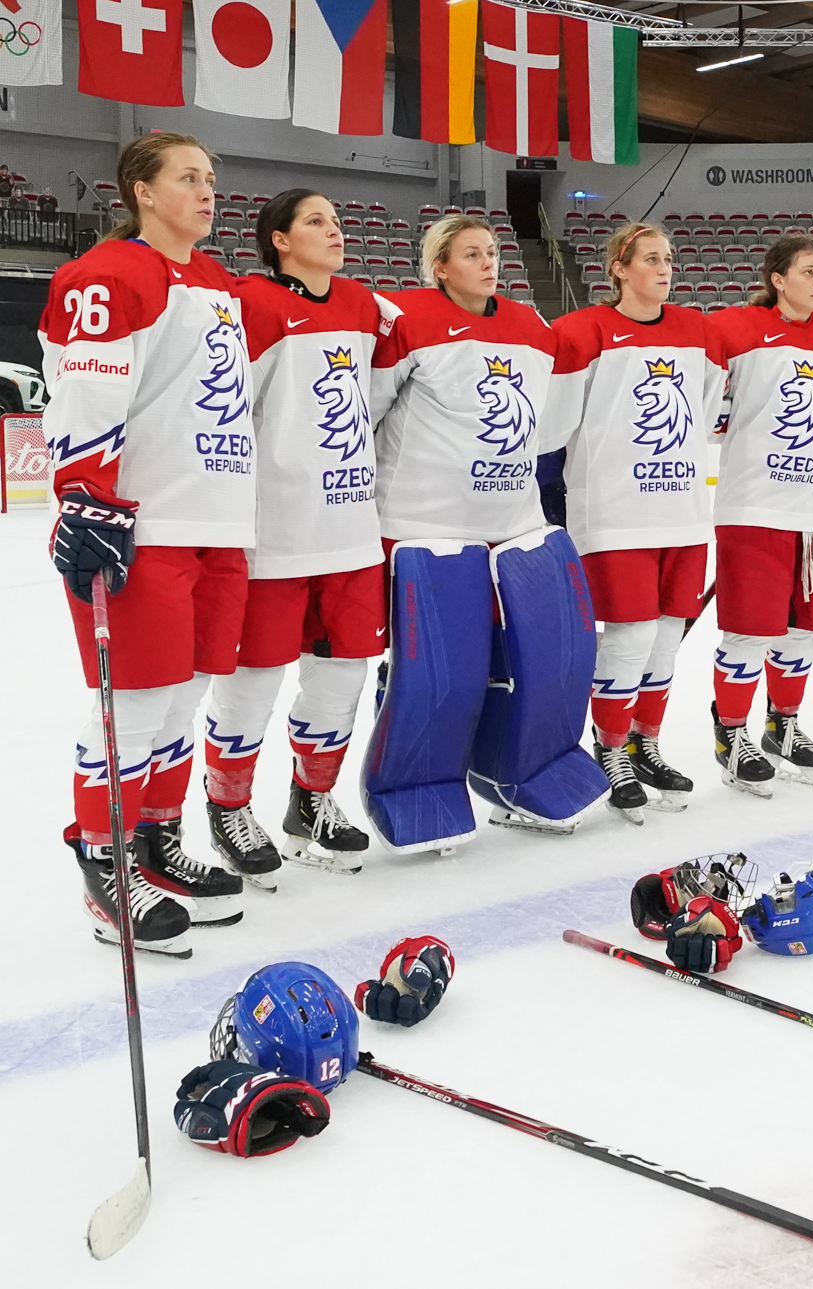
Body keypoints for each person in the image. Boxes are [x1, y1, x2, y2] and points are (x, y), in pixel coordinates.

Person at [42, 132, 251, 956]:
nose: (207, 191)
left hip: (217, 521)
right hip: (146, 527)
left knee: (180, 703)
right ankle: (105, 863)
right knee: (129, 710)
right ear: (143, 191)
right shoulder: (108, 274)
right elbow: (85, 393)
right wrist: (87, 499)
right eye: (189, 178)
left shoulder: (214, 279)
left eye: (211, 176)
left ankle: (156, 843)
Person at [370, 213, 592, 846]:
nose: (489, 261)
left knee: (549, 658)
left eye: (492, 250)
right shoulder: (406, 319)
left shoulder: (531, 326)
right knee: (439, 671)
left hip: (515, 523)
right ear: (440, 266)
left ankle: (524, 772)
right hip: (424, 523)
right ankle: (418, 783)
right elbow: (367, 407)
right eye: (471, 253)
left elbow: (547, 421)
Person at [201, 188, 389, 888]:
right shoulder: (250, 302)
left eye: (338, 219)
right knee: (252, 682)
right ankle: (228, 805)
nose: (334, 229)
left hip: (351, 533)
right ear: (279, 239)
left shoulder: (365, 306)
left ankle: (311, 801)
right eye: (316, 220)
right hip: (273, 535)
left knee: (340, 678)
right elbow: (223, 410)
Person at [545, 222, 720, 817]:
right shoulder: (581, 331)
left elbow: (705, 410)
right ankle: (611, 747)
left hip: (684, 514)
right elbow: (555, 426)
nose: (665, 268)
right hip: (614, 514)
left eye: (669, 258)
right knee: (630, 636)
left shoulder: (698, 331)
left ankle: (646, 742)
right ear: (619, 268)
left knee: (668, 637)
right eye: (650, 259)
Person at [704, 234, 813, 793]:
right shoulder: (733, 329)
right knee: (748, 631)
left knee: (803, 628)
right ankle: (731, 733)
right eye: (810, 271)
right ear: (777, 279)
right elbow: (709, 412)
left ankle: (783, 725)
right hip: (753, 506)